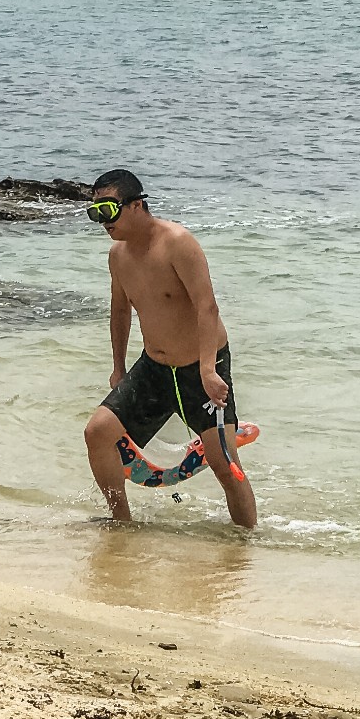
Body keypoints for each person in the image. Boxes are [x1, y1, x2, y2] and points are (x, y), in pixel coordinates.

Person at [82, 170, 256, 529]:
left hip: (201, 367)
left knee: (224, 463)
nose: (103, 221)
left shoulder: (178, 242)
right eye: (95, 212)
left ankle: (246, 541)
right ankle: (121, 524)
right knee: (97, 432)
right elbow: (119, 310)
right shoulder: (118, 256)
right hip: (154, 369)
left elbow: (206, 307)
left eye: (108, 210)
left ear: (136, 205)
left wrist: (209, 370)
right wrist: (118, 367)